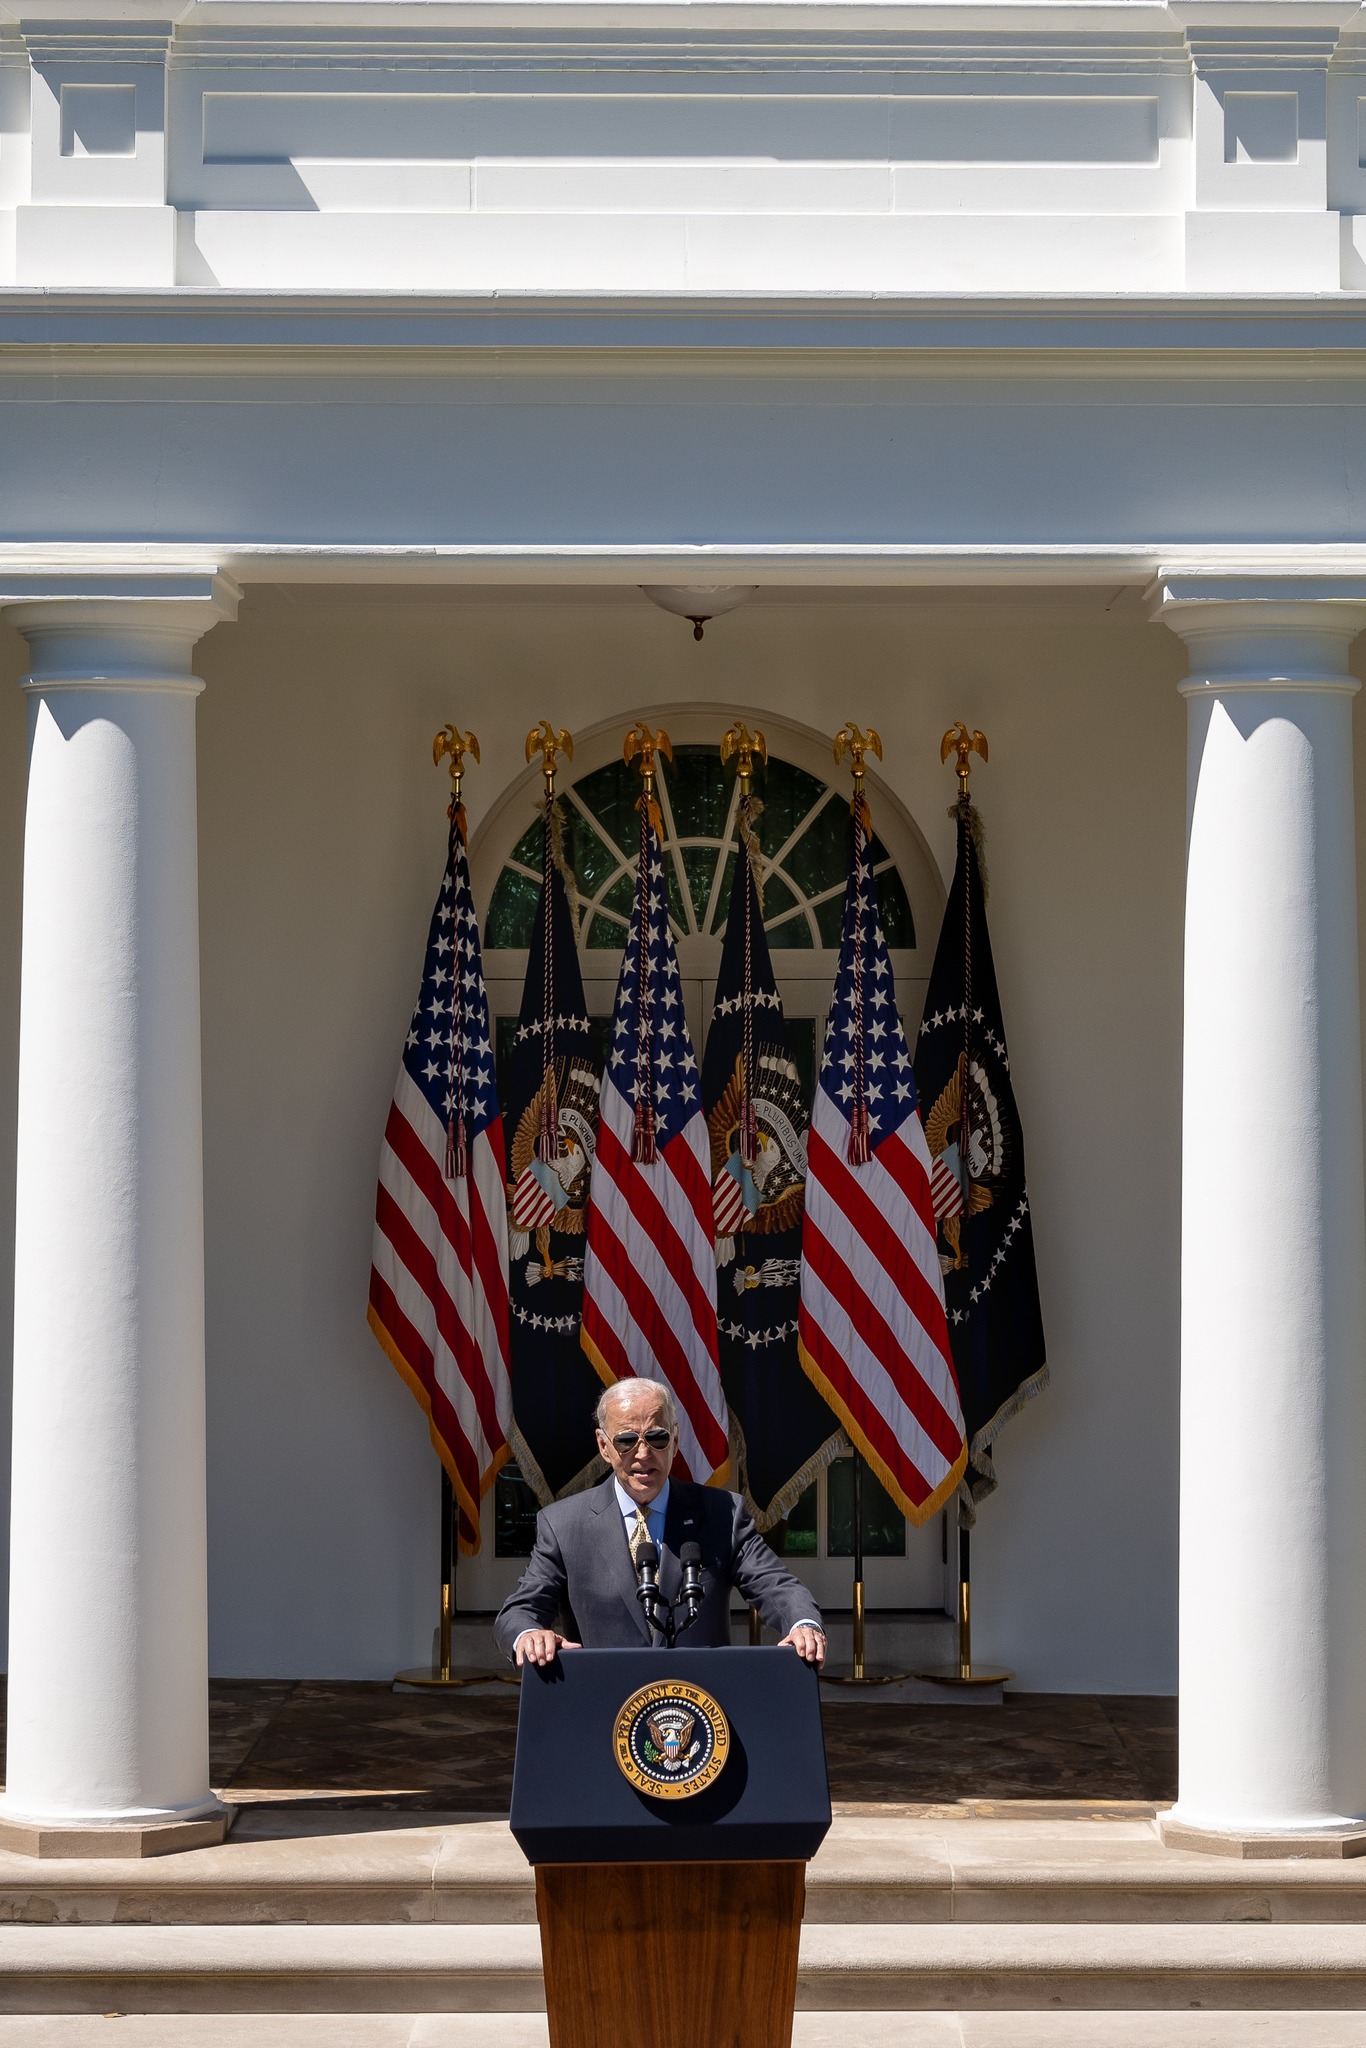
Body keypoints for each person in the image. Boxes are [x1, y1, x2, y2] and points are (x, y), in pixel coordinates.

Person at [494, 1378, 826, 1670]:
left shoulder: (722, 1513)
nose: (643, 1454)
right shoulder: (564, 1524)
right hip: (606, 1703)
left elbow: (776, 1585)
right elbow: (519, 1611)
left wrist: (803, 1624)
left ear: (675, 1441)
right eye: (626, 1440)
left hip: (700, 1703)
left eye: (657, 1438)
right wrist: (529, 1634)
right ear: (604, 1446)